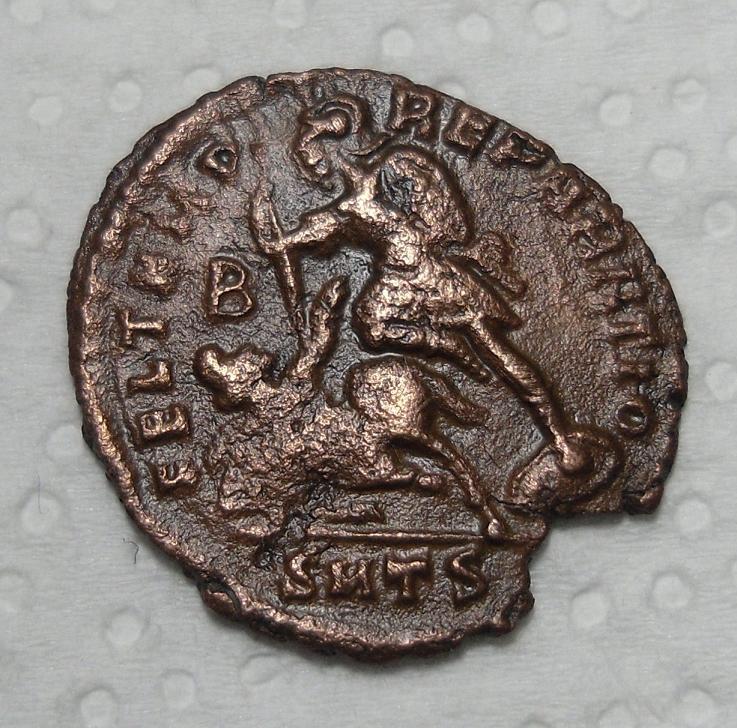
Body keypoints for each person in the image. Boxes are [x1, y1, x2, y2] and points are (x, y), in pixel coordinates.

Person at [249, 92, 589, 475]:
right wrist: (278, 241)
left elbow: (445, 223)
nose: (309, 164)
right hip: (394, 282)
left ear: (335, 143)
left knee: (496, 351)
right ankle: (444, 344)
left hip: (429, 275)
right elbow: (315, 231)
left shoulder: (397, 170)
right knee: (370, 325)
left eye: (310, 152)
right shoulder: (346, 205)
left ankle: (559, 436)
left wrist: (414, 235)